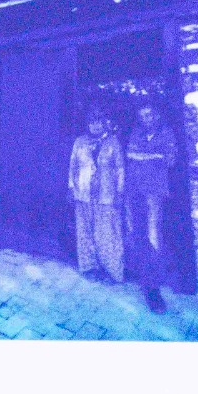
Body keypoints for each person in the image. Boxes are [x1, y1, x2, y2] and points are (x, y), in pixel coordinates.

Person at [123, 101, 181, 311]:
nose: (145, 119)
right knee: (134, 233)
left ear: (156, 115)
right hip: (133, 190)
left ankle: (153, 288)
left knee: (153, 236)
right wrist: (154, 156)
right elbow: (130, 154)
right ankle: (140, 274)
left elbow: (170, 160)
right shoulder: (136, 133)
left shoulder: (166, 133)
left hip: (154, 192)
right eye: (142, 116)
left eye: (149, 115)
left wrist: (144, 156)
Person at [68, 110, 125, 283]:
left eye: (99, 121)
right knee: (84, 231)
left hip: (106, 195)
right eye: (92, 122)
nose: (95, 125)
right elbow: (73, 166)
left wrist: (119, 192)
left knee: (107, 233)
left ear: (105, 123)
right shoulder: (80, 142)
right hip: (83, 193)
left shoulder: (113, 142)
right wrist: (71, 188)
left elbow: (120, 168)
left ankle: (113, 271)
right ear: (87, 124)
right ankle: (89, 267)